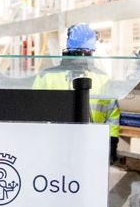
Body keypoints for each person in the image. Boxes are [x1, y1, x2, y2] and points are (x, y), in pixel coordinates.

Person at [33, 23, 120, 161]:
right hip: (83, 146)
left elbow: (34, 113)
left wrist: (111, 141)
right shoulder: (102, 78)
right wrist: (112, 141)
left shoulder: (46, 76)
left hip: (62, 146)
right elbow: (112, 114)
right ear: (92, 50)